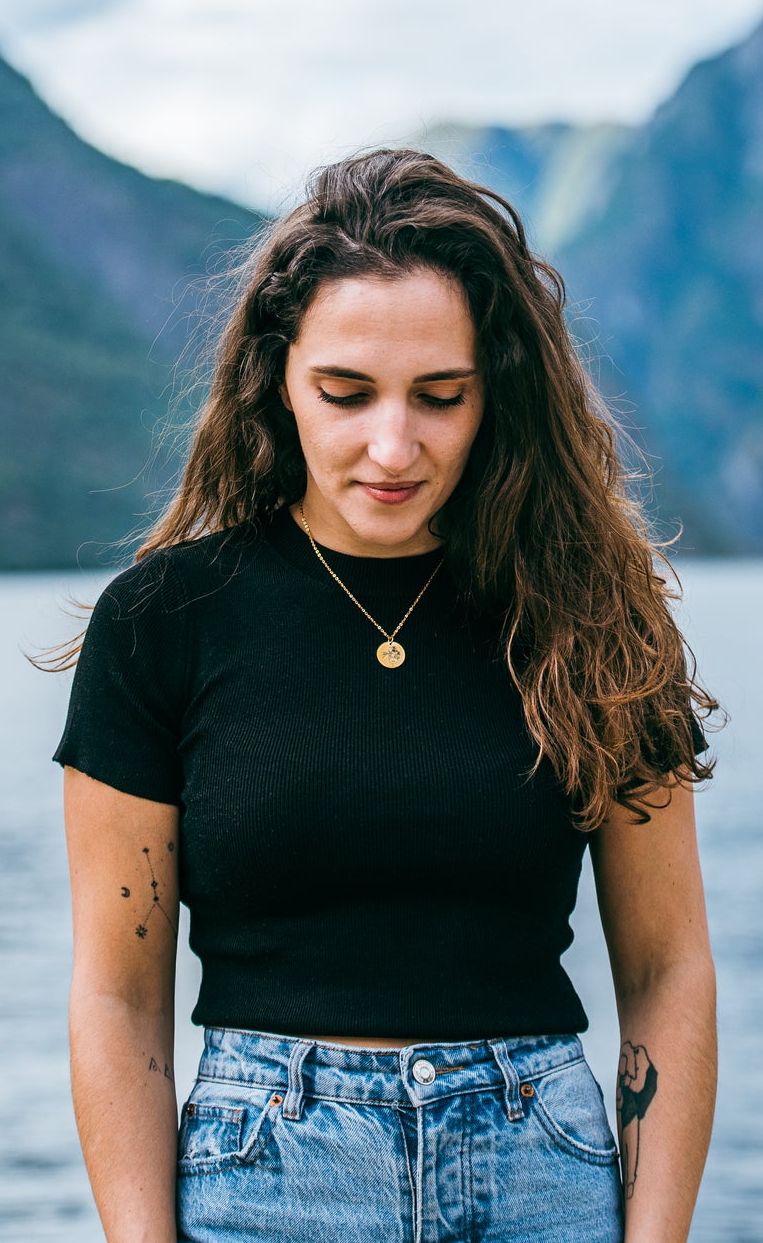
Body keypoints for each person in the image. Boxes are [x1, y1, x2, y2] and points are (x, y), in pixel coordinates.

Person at [47, 148, 720, 1242]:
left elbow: (666, 967)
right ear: (276, 377)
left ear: (494, 388)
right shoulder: (163, 620)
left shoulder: (591, 616)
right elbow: (119, 998)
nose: (391, 445)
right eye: (346, 393)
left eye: (439, 396)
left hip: (538, 1173)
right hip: (264, 1180)